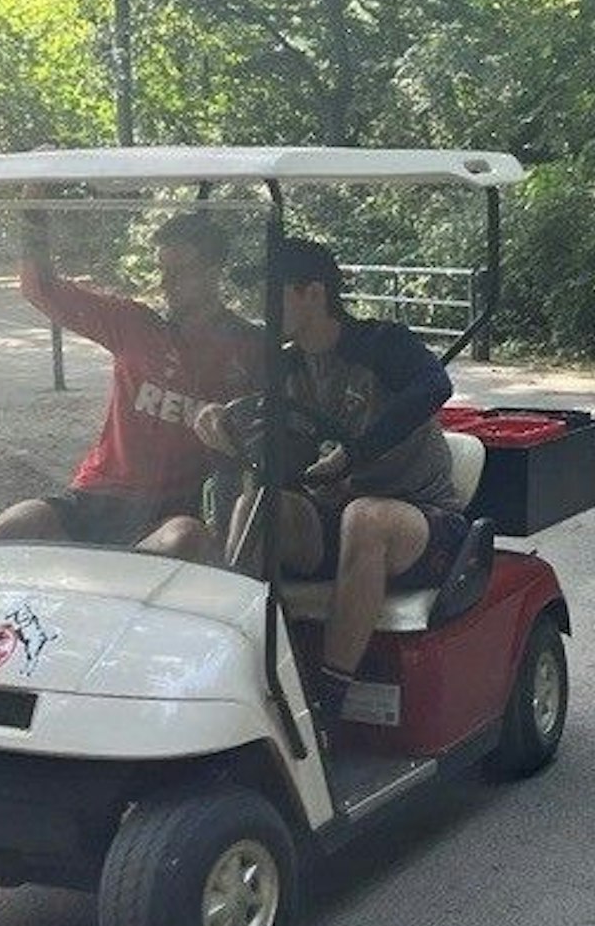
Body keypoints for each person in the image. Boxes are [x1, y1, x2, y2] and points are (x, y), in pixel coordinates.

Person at [190, 236, 468, 733]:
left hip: (420, 520)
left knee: (366, 517)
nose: (263, 309)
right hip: (333, 516)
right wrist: (220, 426)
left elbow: (435, 385)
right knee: (259, 505)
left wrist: (357, 451)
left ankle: (327, 707)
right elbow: (266, 438)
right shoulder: (284, 365)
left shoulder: (381, 343)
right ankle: (232, 672)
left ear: (313, 294)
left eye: (274, 294)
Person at [0, 211, 264, 547]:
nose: (165, 283)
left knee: (184, 539)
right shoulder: (133, 324)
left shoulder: (250, 347)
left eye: (179, 272)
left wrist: (232, 435)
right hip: (97, 494)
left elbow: (263, 442)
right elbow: (39, 288)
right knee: (10, 529)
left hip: (173, 509)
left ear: (213, 272)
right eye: (162, 270)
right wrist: (34, 204)